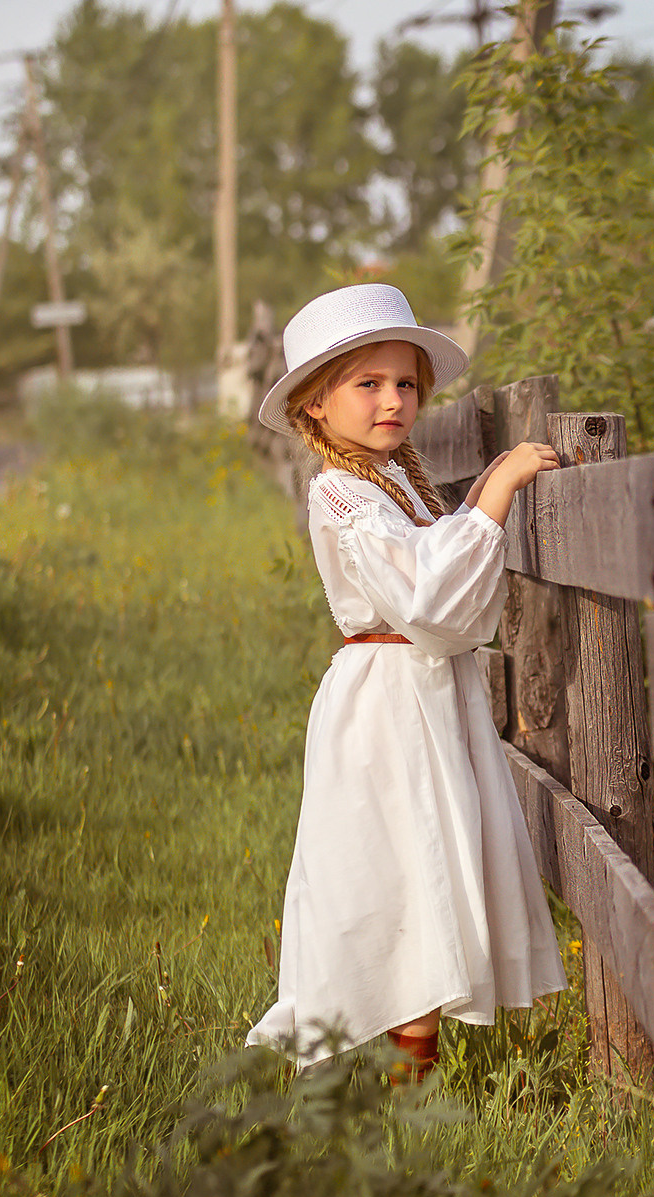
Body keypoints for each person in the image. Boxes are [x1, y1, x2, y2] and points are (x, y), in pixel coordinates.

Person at [246, 283, 568, 1080]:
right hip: (387, 705)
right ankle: (395, 1077)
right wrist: (497, 492)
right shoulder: (341, 491)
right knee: (393, 872)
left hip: (424, 694)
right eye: (369, 383)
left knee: (426, 871)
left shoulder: (397, 480)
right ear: (315, 402)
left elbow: (439, 574)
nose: (393, 400)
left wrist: (474, 503)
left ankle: (412, 1080)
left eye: (406, 383)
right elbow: (427, 597)